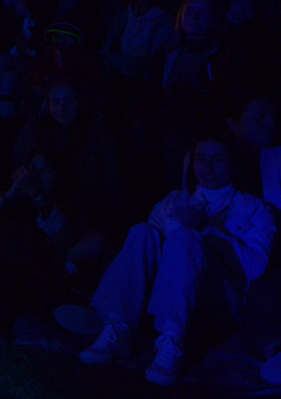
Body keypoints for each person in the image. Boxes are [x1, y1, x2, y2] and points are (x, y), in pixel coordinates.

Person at [76, 138, 275, 386]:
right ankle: (118, 326)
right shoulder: (172, 202)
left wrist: (208, 229)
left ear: (232, 162)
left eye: (218, 159)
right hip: (165, 300)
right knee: (142, 232)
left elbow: (255, 268)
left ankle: (173, 341)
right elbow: (144, 255)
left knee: (185, 237)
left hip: (218, 303)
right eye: (200, 159)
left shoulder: (255, 208)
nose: (208, 167)